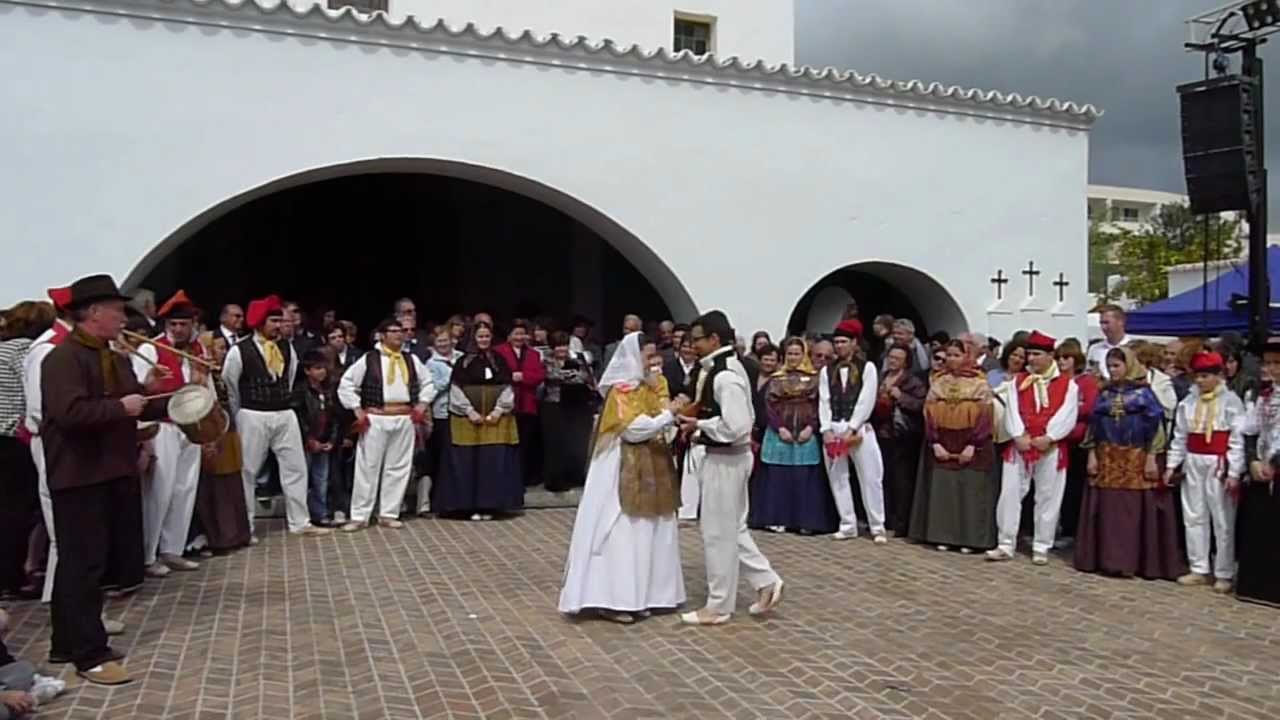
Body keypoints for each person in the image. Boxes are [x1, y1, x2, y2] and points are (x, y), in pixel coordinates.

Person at [41, 274, 171, 685]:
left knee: (83, 563)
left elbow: (135, 404)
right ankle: (89, 654)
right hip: (80, 475)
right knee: (85, 564)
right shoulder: (63, 358)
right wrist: (122, 407)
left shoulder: (111, 356)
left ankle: (66, 641)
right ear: (94, 313)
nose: (123, 319)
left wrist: (173, 401)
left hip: (109, 470)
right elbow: (71, 414)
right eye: (117, 311)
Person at [558, 332, 685, 623]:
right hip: (623, 464)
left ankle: (650, 594)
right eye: (648, 356)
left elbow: (662, 420)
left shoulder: (653, 387)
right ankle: (614, 598)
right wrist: (668, 416)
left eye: (656, 356)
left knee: (653, 526)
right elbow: (632, 429)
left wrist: (670, 413)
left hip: (654, 462)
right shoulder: (623, 390)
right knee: (623, 529)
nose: (654, 362)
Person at [675, 310, 783, 625]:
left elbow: (738, 426)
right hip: (728, 458)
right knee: (732, 528)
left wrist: (699, 424)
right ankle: (766, 581)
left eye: (697, 340)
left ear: (714, 339)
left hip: (726, 460)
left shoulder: (725, 375)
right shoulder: (723, 369)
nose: (692, 346)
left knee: (717, 532)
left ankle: (719, 605)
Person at [222, 295, 332, 540]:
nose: (279, 325)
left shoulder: (286, 347)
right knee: (248, 471)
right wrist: (240, 415)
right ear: (260, 322)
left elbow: (290, 377)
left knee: (295, 467)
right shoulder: (239, 350)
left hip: (283, 413)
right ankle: (246, 527)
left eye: (280, 320)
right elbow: (230, 386)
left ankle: (300, 521)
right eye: (273, 320)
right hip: (253, 414)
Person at [1072, 347, 1185, 580]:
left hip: (1136, 458)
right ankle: (1107, 560)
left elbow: (1157, 430)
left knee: (1132, 511)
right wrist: (1092, 454)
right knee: (1108, 511)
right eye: (1110, 366)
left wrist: (1152, 458)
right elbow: (1094, 428)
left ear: (1129, 365)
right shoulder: (1104, 394)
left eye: (1117, 366)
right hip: (1108, 458)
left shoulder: (1145, 395)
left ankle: (1132, 561)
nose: (1113, 371)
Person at [129, 290, 210, 577]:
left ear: (193, 325)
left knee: (184, 488)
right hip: (163, 424)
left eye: (183, 325)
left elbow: (206, 389)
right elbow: (137, 386)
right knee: (159, 491)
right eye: (173, 324)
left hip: (190, 426)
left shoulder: (199, 350)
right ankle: (149, 554)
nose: (178, 329)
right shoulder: (152, 349)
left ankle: (172, 549)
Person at [988, 331, 1079, 565]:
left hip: (1050, 447)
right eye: (1029, 354)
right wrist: (1018, 435)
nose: (1031, 359)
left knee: (1048, 495)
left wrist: (1050, 436)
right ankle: (1006, 542)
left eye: (1037, 354)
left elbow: (1067, 414)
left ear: (1050, 356)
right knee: (1010, 493)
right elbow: (1013, 409)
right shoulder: (1018, 381)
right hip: (1021, 445)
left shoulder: (1068, 385)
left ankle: (1041, 544)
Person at [337, 318, 433, 531]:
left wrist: (422, 405)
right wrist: (356, 409)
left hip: (403, 416)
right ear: (382, 335)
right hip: (376, 417)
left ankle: (389, 512)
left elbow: (428, 383)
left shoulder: (411, 360)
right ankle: (360, 515)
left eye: (401, 331)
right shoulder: (369, 359)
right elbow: (347, 384)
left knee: (398, 467)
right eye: (393, 331)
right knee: (368, 466)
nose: (399, 335)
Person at [1164, 351, 1246, 593]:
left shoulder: (1231, 402)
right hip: (1194, 459)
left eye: (1205, 376)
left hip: (1217, 462)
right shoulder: (1188, 402)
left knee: (1222, 518)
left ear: (1218, 376)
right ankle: (1198, 566)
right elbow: (1179, 436)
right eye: (1197, 376)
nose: (1199, 381)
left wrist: (1233, 471)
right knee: (1193, 515)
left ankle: (1224, 571)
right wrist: (1172, 465)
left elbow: (1237, 438)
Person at [910, 339, 997, 552]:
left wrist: (973, 445)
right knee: (944, 488)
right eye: (948, 355)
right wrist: (935, 442)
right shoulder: (938, 381)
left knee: (970, 489)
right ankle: (943, 535)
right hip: (944, 438)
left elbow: (986, 416)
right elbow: (928, 413)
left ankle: (971, 539)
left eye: (956, 355)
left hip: (971, 440)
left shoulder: (980, 382)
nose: (951, 359)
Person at [435, 322, 524, 520]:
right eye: (480, 336)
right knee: (468, 463)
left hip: (496, 420)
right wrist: (469, 411)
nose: (483, 340)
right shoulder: (463, 362)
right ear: (473, 338)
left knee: (491, 463)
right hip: (467, 420)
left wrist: (499, 410)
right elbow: (456, 389)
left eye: (486, 336)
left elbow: (507, 386)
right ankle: (467, 507)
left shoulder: (499, 360)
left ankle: (491, 506)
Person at [748, 337, 836, 534]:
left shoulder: (814, 378)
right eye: (790, 354)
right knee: (777, 476)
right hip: (779, 431)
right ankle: (775, 518)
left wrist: (811, 428)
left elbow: (819, 405)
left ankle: (805, 521)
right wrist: (779, 428)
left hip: (806, 431)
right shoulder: (776, 378)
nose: (793, 357)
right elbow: (769, 406)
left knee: (805, 477)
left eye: (797, 353)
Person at [0, 301, 55, 600]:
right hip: (13, 437)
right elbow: (31, 393)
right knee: (19, 510)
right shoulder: (25, 351)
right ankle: (15, 575)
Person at [818, 319, 887, 543]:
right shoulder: (827, 371)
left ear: (854, 343)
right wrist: (826, 429)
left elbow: (866, 400)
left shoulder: (867, 367)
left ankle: (877, 525)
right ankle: (847, 523)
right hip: (835, 425)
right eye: (836, 342)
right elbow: (824, 400)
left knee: (870, 476)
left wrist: (853, 427)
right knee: (838, 477)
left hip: (858, 428)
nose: (839, 346)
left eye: (843, 341)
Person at [189, 334, 251, 553]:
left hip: (228, 429)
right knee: (215, 487)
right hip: (211, 432)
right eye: (214, 349)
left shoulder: (218, 374)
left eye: (223, 348)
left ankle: (239, 534)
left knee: (232, 482)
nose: (220, 353)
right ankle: (220, 537)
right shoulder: (198, 378)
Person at [1237, 340, 1280, 606]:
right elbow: (1250, 429)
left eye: (1276, 364)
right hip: (1263, 467)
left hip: (1276, 464)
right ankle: (1258, 586)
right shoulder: (1263, 395)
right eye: (1267, 363)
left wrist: (1275, 461)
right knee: (1261, 524)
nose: (1270, 368)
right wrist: (1252, 459)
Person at [874, 345, 927, 537]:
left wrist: (901, 397)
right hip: (882, 433)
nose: (893, 360)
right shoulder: (881, 378)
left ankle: (901, 522)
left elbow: (921, 404)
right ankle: (885, 518)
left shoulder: (913, 381)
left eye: (898, 358)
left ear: (906, 361)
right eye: (891, 357)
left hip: (903, 436)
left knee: (901, 480)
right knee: (883, 477)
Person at [540, 331, 595, 494]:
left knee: (574, 443)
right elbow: (551, 375)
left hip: (575, 406)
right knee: (555, 444)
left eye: (564, 345)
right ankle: (555, 480)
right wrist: (570, 374)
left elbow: (585, 377)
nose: (561, 349)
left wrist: (567, 374)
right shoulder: (546, 359)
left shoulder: (577, 359)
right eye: (558, 346)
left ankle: (574, 476)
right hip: (553, 405)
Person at [495, 320, 547, 488]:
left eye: (522, 334)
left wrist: (522, 377)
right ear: (509, 336)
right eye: (515, 334)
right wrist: (511, 377)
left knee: (525, 443)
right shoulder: (498, 351)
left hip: (527, 404)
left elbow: (539, 375)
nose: (519, 337)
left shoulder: (533, 354)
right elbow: (497, 373)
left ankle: (522, 478)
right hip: (506, 404)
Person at [297, 350, 339, 527]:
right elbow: (299, 417)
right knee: (303, 479)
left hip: (324, 440)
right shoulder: (301, 391)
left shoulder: (329, 390)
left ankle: (320, 513)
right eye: (317, 368)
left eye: (324, 368)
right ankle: (302, 515)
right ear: (307, 371)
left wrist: (332, 440)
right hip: (307, 442)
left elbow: (335, 417)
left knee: (321, 480)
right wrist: (308, 439)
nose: (322, 372)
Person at [1086, 305, 1132, 378]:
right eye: (1101, 323)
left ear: (1121, 322)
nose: (1103, 327)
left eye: (1107, 323)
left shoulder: (1133, 347)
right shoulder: (1094, 349)